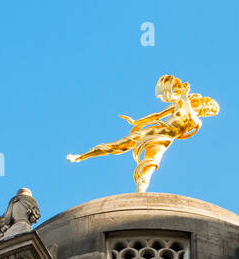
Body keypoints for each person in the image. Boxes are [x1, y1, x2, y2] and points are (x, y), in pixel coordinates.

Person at [67, 75, 218, 192]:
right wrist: (136, 122)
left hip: (164, 140)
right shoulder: (179, 103)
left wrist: (184, 96)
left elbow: (187, 125)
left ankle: (141, 190)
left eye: (211, 111)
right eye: (210, 106)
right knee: (118, 145)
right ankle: (82, 156)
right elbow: (157, 115)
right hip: (155, 129)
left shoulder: (197, 122)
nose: (209, 109)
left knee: (151, 164)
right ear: (205, 101)